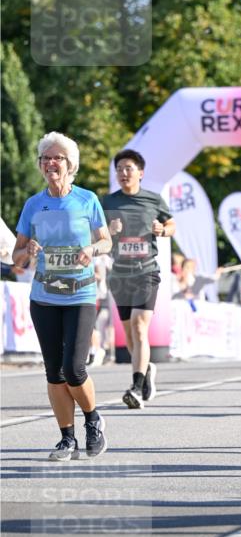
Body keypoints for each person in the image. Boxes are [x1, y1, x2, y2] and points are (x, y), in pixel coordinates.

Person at [12, 132, 111, 460]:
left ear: (71, 165)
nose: (50, 163)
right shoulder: (33, 204)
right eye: (45, 158)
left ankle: (93, 420)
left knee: (74, 369)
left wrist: (91, 249)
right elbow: (16, 257)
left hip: (80, 294)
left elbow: (107, 241)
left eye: (57, 158)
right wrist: (28, 249)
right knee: (54, 371)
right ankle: (67, 438)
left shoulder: (86, 200)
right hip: (44, 296)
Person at [102, 150, 176, 409]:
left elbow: (172, 225)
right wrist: (109, 231)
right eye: (119, 169)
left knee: (139, 326)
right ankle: (146, 369)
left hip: (146, 271)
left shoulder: (153, 199)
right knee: (130, 335)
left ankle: (135, 387)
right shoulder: (107, 202)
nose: (123, 173)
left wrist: (162, 229)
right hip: (120, 274)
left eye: (129, 168)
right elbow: (95, 235)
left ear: (140, 173)